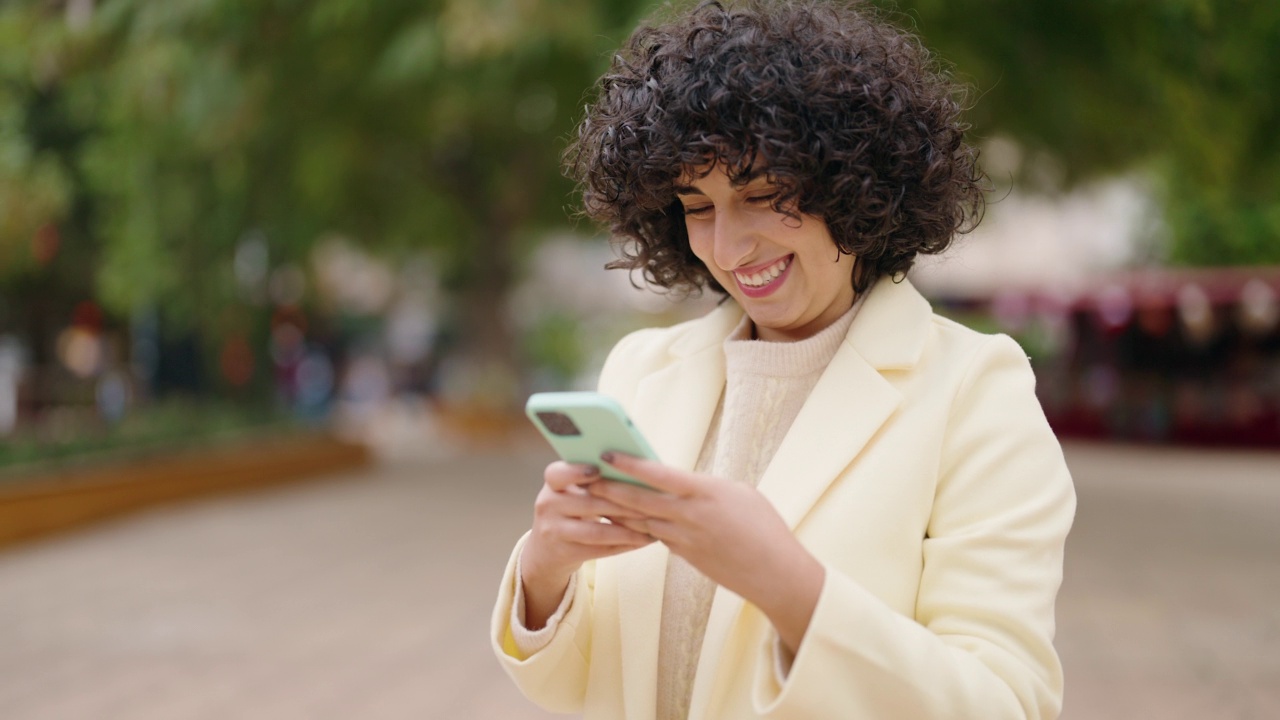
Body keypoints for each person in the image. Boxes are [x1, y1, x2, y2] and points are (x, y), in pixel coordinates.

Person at [490, 1, 1076, 718]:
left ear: (856, 184)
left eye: (763, 196)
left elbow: (1004, 703)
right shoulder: (643, 368)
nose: (729, 248)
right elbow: (594, 684)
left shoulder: (976, 392)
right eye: (697, 207)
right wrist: (546, 575)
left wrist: (788, 585)